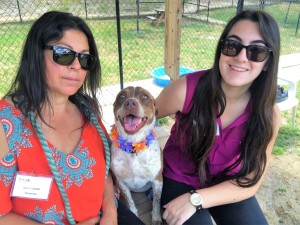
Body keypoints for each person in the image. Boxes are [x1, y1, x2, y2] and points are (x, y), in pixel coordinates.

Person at [0, 11, 144, 225]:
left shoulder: (87, 110)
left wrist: (111, 211)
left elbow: (104, 169)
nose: (76, 65)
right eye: (63, 53)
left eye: (85, 58)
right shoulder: (6, 124)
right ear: (36, 54)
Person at [156, 10, 281, 225]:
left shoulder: (268, 114)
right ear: (221, 49)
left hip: (227, 184)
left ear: (268, 62)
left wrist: (197, 199)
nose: (241, 57)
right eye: (232, 45)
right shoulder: (184, 90)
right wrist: (146, 159)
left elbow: (251, 179)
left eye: (256, 51)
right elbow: (142, 118)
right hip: (179, 178)